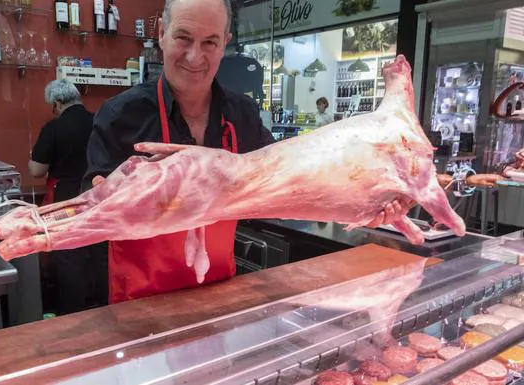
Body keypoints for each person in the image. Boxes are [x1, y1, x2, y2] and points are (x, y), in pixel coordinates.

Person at [83, 0, 405, 304]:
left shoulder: (242, 114)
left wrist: (363, 202)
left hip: (220, 294)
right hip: (140, 302)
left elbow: (290, 179)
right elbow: (92, 204)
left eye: (209, 42)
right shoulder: (121, 115)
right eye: (183, 37)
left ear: (225, 43)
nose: (195, 56)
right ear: (162, 35)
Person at [30, 79, 107, 314]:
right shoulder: (100, 121)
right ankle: (106, 306)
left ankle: (74, 312)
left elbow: (36, 171)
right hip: (98, 195)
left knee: (69, 254)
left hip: (66, 198)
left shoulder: (53, 128)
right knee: (101, 252)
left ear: (56, 103)